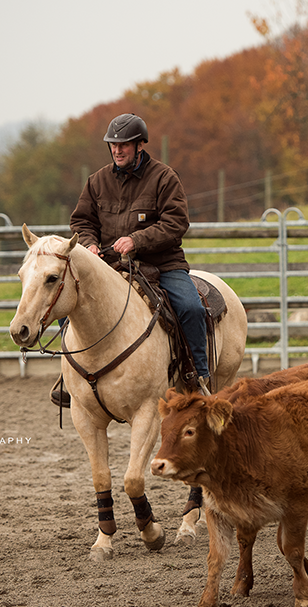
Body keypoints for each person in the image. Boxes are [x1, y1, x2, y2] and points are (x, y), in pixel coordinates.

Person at [50, 113, 211, 408]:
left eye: (124, 145)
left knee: (190, 307)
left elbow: (176, 223)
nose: (117, 150)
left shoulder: (164, 177)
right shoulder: (97, 181)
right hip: (109, 265)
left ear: (140, 146)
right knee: (65, 302)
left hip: (162, 264)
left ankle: (196, 376)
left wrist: (138, 240)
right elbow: (81, 221)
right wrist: (89, 245)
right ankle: (68, 374)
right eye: (113, 144)